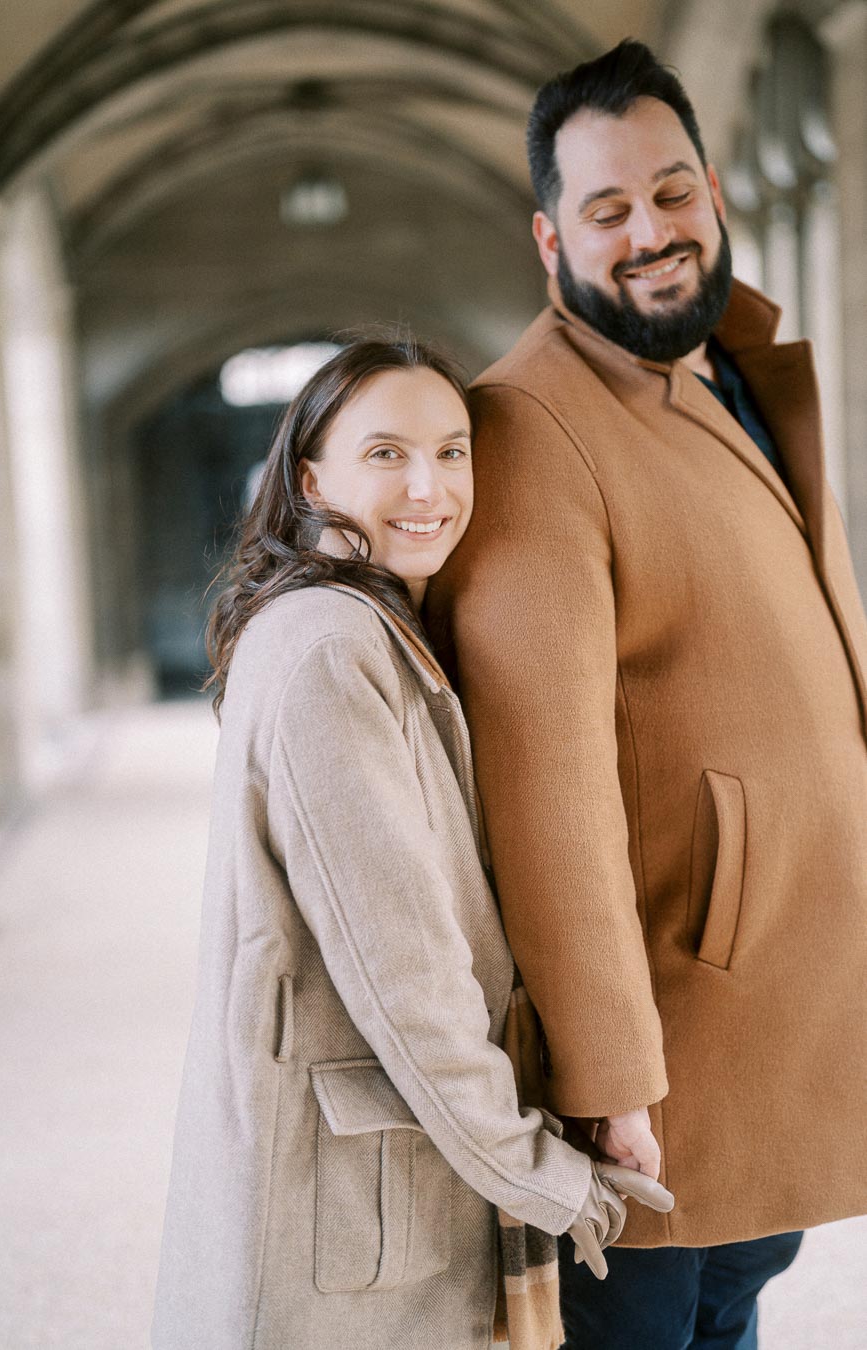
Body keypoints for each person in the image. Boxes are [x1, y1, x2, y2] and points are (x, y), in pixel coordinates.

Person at [429, 39, 867, 1350]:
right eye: (607, 209)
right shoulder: (530, 425)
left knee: (733, 1303)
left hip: (772, 1014)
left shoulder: (722, 367)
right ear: (550, 241)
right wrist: (611, 1078)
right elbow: (543, 779)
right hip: (669, 1063)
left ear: (716, 189)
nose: (651, 233)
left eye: (670, 193)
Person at [150, 335, 673, 1350]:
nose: (428, 485)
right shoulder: (330, 649)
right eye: (386, 454)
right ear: (310, 479)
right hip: (344, 1207)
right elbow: (407, 974)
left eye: (452, 451)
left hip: (380, 1182)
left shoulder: (375, 629)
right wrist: (542, 1174)